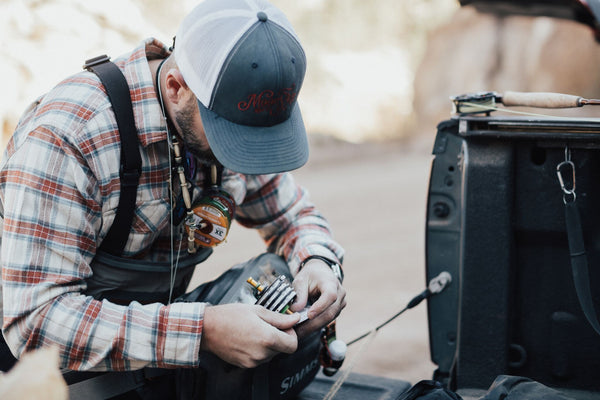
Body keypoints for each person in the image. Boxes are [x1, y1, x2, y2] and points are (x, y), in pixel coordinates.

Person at [0, 0, 345, 396]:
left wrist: (318, 260)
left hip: (154, 348)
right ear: (177, 88)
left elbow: (291, 215)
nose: (244, 157)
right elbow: (34, 323)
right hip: (41, 373)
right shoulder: (70, 138)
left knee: (276, 277)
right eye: (230, 140)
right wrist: (203, 330)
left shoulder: (225, 108)